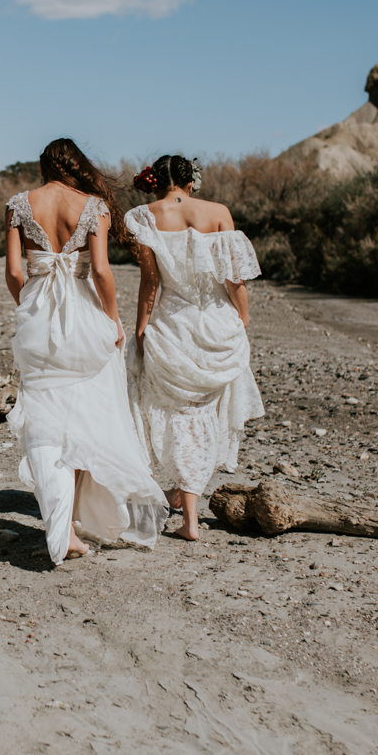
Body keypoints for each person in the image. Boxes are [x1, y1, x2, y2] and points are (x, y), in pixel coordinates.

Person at [4, 138, 166, 564]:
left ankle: (62, 527)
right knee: (85, 414)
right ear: (77, 166)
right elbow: (99, 270)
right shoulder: (94, 206)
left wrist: (30, 306)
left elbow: (14, 271)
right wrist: (113, 320)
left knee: (43, 413)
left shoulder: (19, 203)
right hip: (83, 313)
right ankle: (67, 526)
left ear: (44, 166)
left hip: (38, 311)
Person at [126, 155, 264, 541]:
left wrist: (141, 328)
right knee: (205, 411)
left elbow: (150, 282)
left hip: (173, 323)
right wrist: (243, 317)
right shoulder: (218, 212)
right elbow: (233, 277)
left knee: (178, 411)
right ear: (191, 181)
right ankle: (188, 509)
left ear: (156, 181)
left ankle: (183, 504)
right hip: (215, 322)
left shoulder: (143, 216)